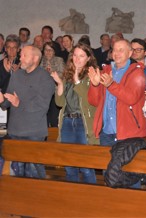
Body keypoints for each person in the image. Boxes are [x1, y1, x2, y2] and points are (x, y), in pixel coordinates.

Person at [0, 45, 55, 178]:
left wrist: (19, 103)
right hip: (14, 131)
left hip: (33, 133)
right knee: (17, 173)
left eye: (24, 55)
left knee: (34, 174)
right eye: (21, 55)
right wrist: (2, 100)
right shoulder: (17, 74)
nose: (20, 57)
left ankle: (39, 198)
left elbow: (42, 106)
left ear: (35, 58)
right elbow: (9, 99)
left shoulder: (45, 78)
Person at [51, 43, 99, 184]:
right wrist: (60, 84)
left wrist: (78, 80)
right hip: (67, 121)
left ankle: (91, 196)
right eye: (75, 55)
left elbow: (89, 99)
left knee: (85, 165)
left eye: (81, 56)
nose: (77, 59)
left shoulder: (92, 75)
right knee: (69, 164)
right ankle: (71, 195)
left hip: (82, 123)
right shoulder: (67, 74)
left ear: (88, 58)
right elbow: (59, 103)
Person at [87, 39, 146, 150]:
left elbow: (131, 98)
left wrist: (111, 85)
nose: (116, 53)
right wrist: (95, 85)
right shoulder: (106, 71)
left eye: (121, 50)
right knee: (106, 167)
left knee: (124, 168)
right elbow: (94, 102)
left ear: (129, 53)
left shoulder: (137, 73)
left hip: (128, 133)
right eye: (114, 50)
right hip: (107, 132)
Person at [40, 42, 65, 127]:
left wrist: (51, 72)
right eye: (46, 50)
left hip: (55, 92)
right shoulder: (39, 60)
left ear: (54, 51)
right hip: (42, 93)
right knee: (43, 117)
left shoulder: (59, 60)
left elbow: (62, 75)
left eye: (50, 50)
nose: (48, 52)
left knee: (54, 118)